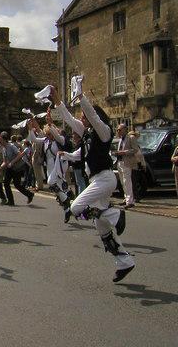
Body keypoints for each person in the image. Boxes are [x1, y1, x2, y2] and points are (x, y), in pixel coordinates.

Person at [51, 85, 135, 283]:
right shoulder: (88, 134)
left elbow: (93, 117)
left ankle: (116, 214)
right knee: (101, 225)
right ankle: (124, 261)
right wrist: (57, 101)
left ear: (93, 116)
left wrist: (81, 97)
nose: (81, 118)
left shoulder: (104, 132)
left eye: (84, 115)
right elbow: (71, 121)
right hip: (97, 180)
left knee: (76, 207)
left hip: (105, 179)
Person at [27, 116, 73, 222]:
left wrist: (50, 124)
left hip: (60, 165)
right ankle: (67, 208)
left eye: (50, 134)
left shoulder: (60, 139)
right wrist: (30, 129)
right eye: (47, 134)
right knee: (57, 189)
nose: (48, 136)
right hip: (50, 166)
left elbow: (57, 135)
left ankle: (66, 198)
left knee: (50, 182)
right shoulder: (46, 140)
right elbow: (34, 139)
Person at [0, 131, 34, 206]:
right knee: (6, 183)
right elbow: (5, 161)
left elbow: (20, 155)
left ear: (4, 139)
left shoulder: (11, 146)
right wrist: (0, 167)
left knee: (17, 185)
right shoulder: (3, 149)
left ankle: (29, 194)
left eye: (0, 139)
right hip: (10, 168)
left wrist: (12, 162)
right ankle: (11, 201)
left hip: (17, 168)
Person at [114, 124, 139, 209]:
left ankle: (130, 201)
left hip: (127, 162)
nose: (118, 131)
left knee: (127, 182)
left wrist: (124, 152)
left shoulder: (131, 138)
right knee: (122, 182)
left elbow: (135, 149)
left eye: (120, 130)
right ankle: (126, 198)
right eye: (117, 130)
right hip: (120, 162)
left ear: (125, 129)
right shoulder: (120, 139)